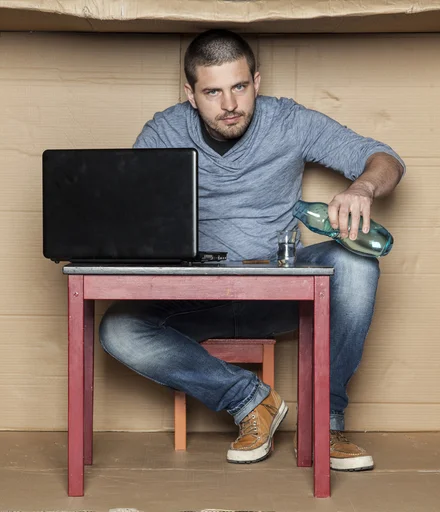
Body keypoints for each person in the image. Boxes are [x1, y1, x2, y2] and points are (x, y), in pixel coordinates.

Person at [99, 29, 405, 471]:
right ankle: (251, 401)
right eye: (212, 91)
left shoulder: (289, 121)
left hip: (280, 292)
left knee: (357, 262)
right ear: (190, 93)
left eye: (239, 87)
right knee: (118, 329)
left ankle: (327, 421)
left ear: (256, 82)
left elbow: (385, 159)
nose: (229, 105)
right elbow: (133, 217)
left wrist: (362, 188)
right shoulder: (163, 131)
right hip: (195, 299)